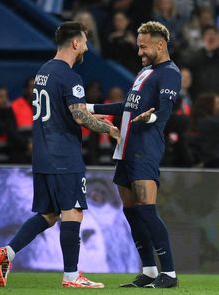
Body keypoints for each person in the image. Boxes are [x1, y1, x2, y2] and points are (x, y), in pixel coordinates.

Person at [0, 21, 120, 289]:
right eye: (85, 40)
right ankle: (72, 276)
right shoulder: (70, 76)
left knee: (49, 214)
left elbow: (66, 113)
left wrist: (92, 117)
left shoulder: (43, 72)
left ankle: (8, 253)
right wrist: (111, 130)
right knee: (73, 212)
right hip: (64, 156)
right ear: (75, 43)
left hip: (42, 155)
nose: (86, 45)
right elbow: (79, 116)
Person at [87, 21, 181, 288]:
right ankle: (149, 271)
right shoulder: (144, 72)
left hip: (145, 149)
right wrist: (89, 106)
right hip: (125, 149)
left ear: (160, 44)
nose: (139, 52)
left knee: (147, 210)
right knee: (131, 212)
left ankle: (170, 274)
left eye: (143, 47)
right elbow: (127, 106)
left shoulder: (170, 73)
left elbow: (164, 109)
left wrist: (151, 117)